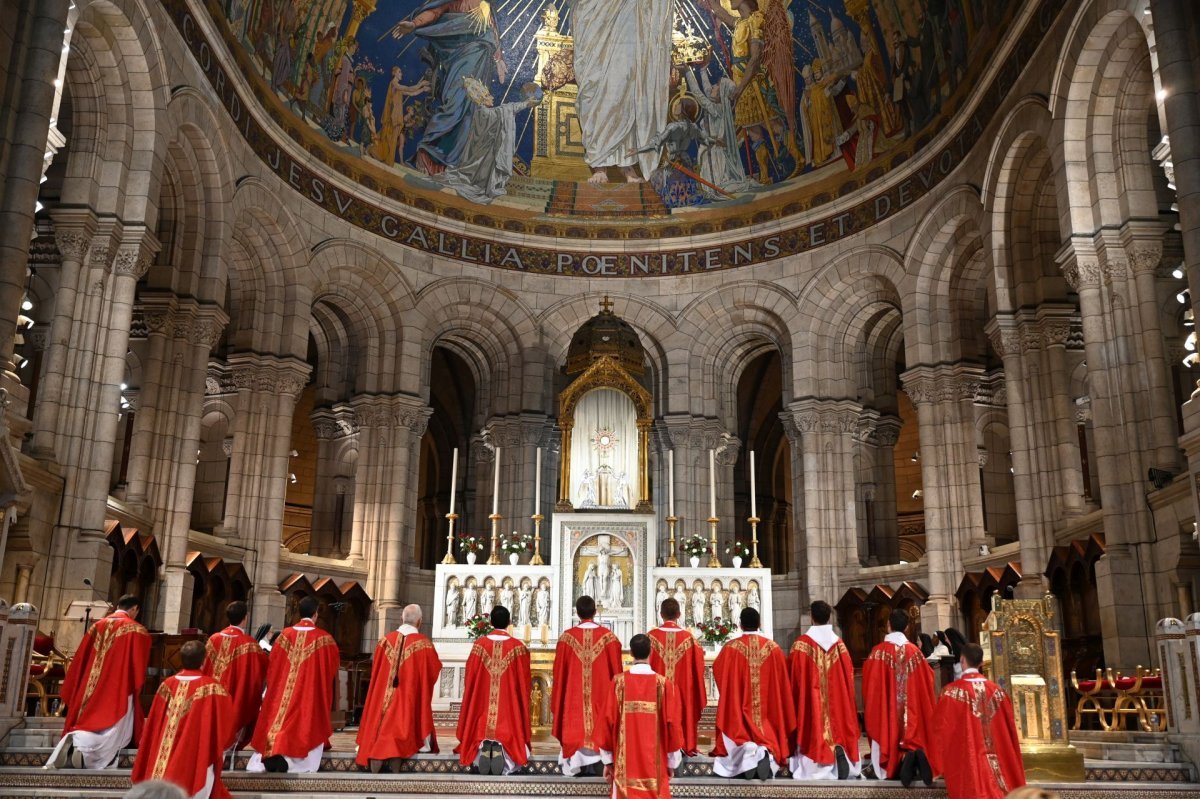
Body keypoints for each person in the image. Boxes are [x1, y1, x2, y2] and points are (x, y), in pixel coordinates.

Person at [387, 0, 507, 175]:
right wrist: (414, 24)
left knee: (470, 114)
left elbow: (493, 35)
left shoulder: (487, 8)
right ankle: (428, 152)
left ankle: (450, 165)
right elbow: (436, 12)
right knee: (454, 105)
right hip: (461, 59)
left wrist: (499, 60)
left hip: (481, 65)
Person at [48, 594, 151, 769]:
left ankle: (74, 740)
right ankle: (86, 751)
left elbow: (81, 659)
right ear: (134, 609)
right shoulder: (135, 630)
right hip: (118, 687)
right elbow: (137, 665)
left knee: (88, 718)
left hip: (90, 687)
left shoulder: (96, 626)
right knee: (114, 730)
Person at [573, 0, 671, 184]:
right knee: (595, 91)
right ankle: (599, 164)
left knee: (625, 86)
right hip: (596, 16)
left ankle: (626, 165)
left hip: (627, 12)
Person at [247, 595, 340, 773]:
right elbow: (331, 669)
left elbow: (273, 667)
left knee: (278, 723)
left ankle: (272, 754)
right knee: (305, 725)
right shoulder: (324, 639)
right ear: (316, 614)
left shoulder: (283, 636)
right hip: (308, 695)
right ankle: (292, 763)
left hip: (283, 695)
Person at [131, 641, 234, 799]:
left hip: (161, 760)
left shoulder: (166, 685)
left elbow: (152, 727)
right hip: (195, 756)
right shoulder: (213, 688)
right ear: (204, 661)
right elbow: (225, 727)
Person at [355, 604, 443, 772]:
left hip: (382, 701)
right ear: (419, 622)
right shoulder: (424, 645)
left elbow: (375, 673)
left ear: (401, 619)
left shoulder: (384, 641)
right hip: (407, 702)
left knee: (382, 720)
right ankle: (396, 753)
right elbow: (433, 671)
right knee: (405, 716)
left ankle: (379, 751)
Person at [596, 633, 684, 798]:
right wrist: (671, 763)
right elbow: (673, 725)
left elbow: (607, 721)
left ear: (630, 652)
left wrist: (608, 761)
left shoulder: (618, 683)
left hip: (624, 769)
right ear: (651, 652)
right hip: (655, 769)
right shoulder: (664, 684)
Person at [711, 607, 794, 780]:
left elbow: (718, 674)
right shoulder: (774, 649)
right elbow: (783, 684)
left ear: (740, 625)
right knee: (770, 739)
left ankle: (748, 752)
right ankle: (765, 753)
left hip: (738, 719)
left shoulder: (730, 649)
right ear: (760, 624)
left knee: (736, 737)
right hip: (768, 720)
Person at [935, 643, 1026, 799]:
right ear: (982, 663)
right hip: (998, 764)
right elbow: (1010, 732)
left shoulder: (950, 693)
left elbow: (940, 731)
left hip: (969, 765)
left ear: (962, 660)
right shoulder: (999, 693)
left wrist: (936, 765)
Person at [862, 608, 937, 786]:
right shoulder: (915, 653)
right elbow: (928, 681)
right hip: (911, 717)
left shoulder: (878, 652)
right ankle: (911, 756)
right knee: (911, 728)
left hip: (888, 715)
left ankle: (892, 764)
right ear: (907, 627)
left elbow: (869, 687)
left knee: (886, 729)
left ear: (888, 625)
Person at [455, 605, 532, 775]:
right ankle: (503, 754)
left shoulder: (479, 645)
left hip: (482, 708)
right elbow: (524, 683)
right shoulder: (518, 648)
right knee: (510, 726)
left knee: (480, 727)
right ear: (509, 622)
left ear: (490, 622)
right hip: (508, 709)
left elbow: (470, 676)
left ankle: (483, 748)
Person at [551, 595, 622, 776]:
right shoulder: (609, 638)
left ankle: (577, 761)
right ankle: (600, 758)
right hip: (601, 698)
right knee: (600, 725)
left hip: (574, 701)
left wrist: (559, 699)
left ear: (577, 612)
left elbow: (559, 676)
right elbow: (617, 675)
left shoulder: (566, 639)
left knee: (575, 725)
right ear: (595, 612)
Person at [789, 600, 861, 779]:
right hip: (837, 703)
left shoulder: (800, 645)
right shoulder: (840, 645)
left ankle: (819, 762)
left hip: (813, 703)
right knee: (837, 724)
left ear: (812, 618)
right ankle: (839, 749)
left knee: (813, 726)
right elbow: (849, 678)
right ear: (829, 617)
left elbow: (794, 679)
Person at [203, 600, 268, 751]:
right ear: (245, 618)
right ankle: (230, 743)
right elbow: (259, 671)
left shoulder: (213, 639)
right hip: (235, 699)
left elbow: (205, 668)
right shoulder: (249, 644)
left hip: (213, 696)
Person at [647, 598, 706, 756]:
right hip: (682, 692)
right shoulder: (689, 639)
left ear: (661, 614)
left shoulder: (650, 637)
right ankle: (682, 744)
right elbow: (699, 665)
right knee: (683, 710)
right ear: (679, 614)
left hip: (656, 691)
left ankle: (658, 745)